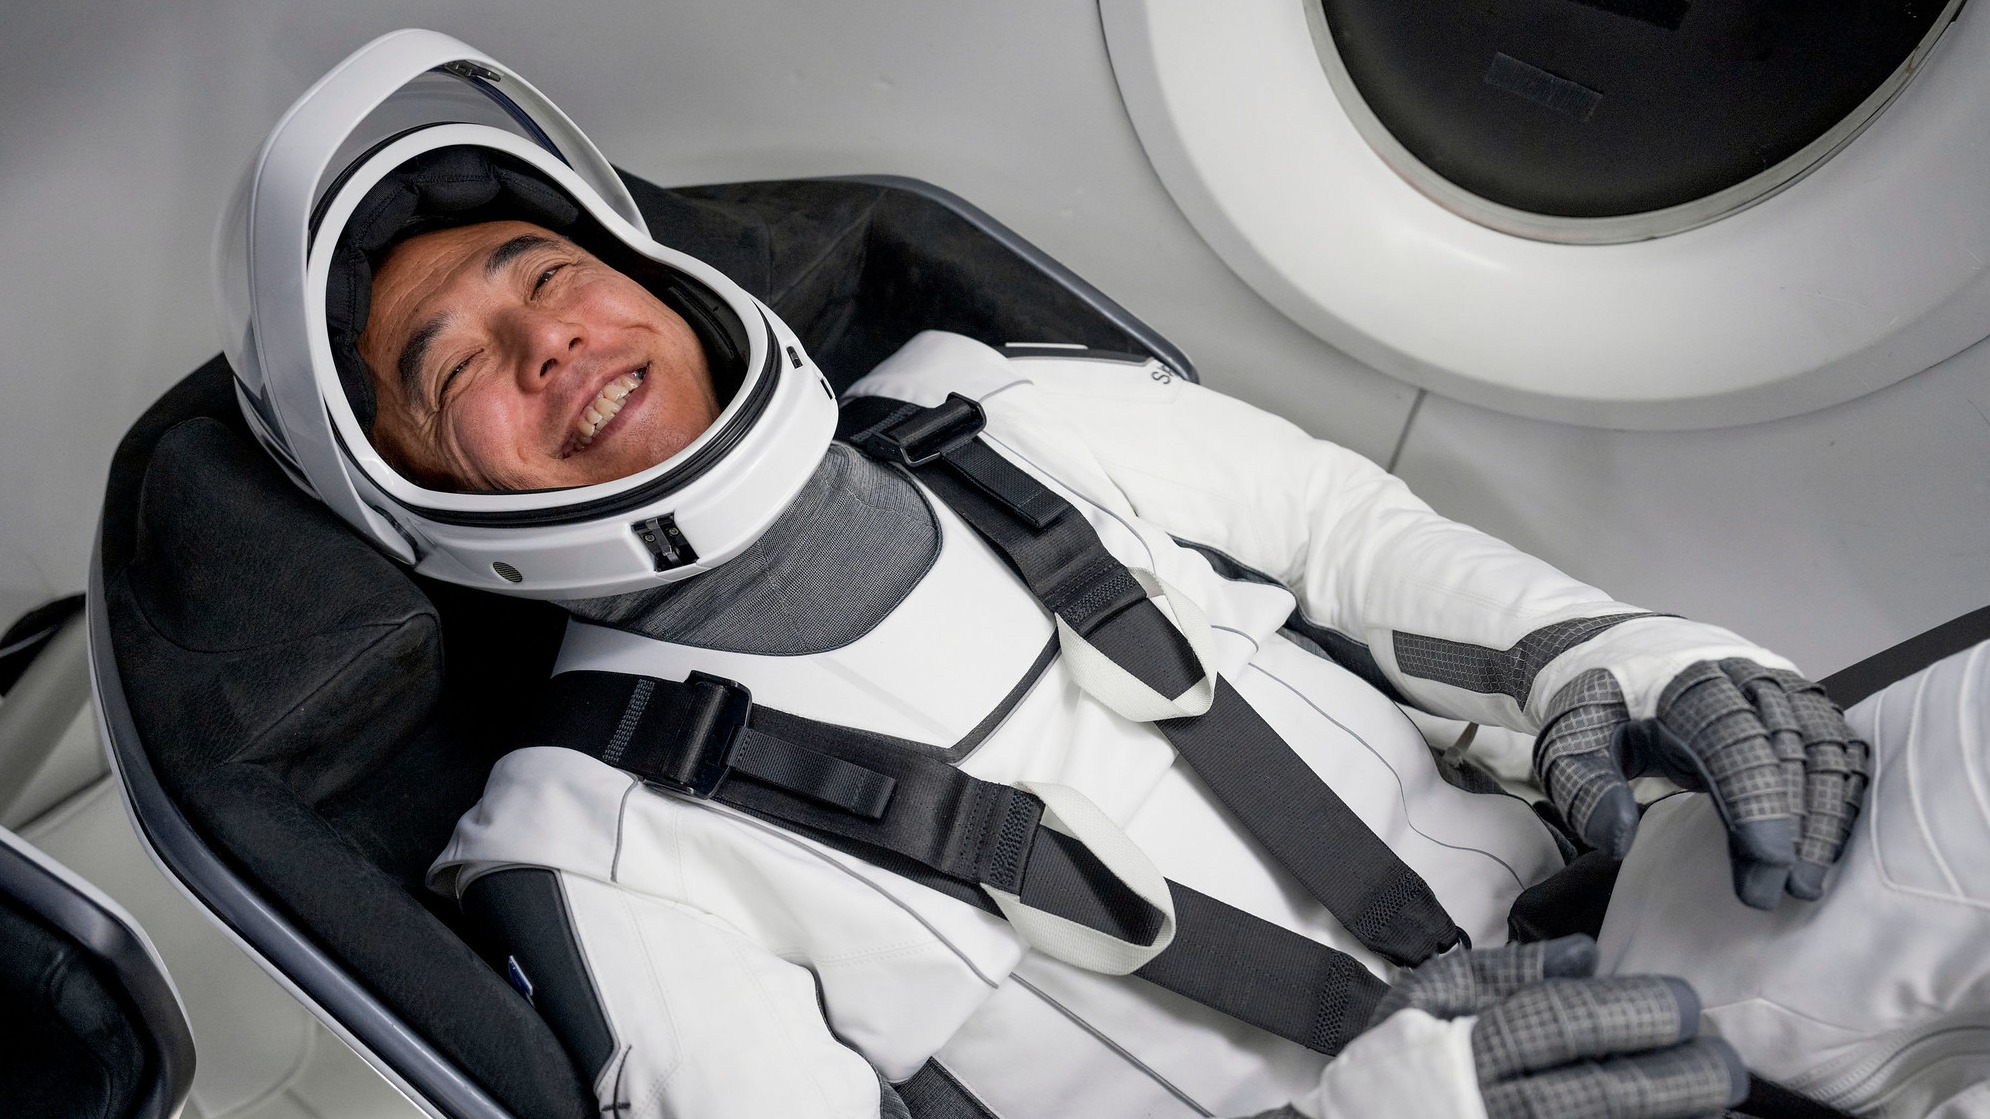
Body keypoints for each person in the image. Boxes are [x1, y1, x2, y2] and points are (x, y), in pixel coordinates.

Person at [217, 29, 1987, 1119]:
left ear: (649, 276)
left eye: (545, 269)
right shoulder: (591, 846)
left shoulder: (984, 405)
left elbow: (1354, 544)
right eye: (455, 374)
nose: (547, 344)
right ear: (421, 496)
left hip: (1644, 916)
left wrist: (1644, 667)